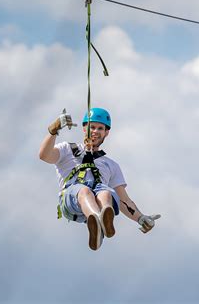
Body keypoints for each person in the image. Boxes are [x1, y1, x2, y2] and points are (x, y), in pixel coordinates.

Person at [39, 107, 160, 251]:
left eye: (100, 128)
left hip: (98, 195)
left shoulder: (111, 165)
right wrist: (53, 130)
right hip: (72, 196)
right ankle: (96, 219)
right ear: (85, 129)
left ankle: (102, 221)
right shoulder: (67, 149)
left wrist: (141, 218)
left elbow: (124, 201)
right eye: (92, 127)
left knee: (106, 193)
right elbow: (44, 155)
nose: (96, 131)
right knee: (84, 191)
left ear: (106, 133)